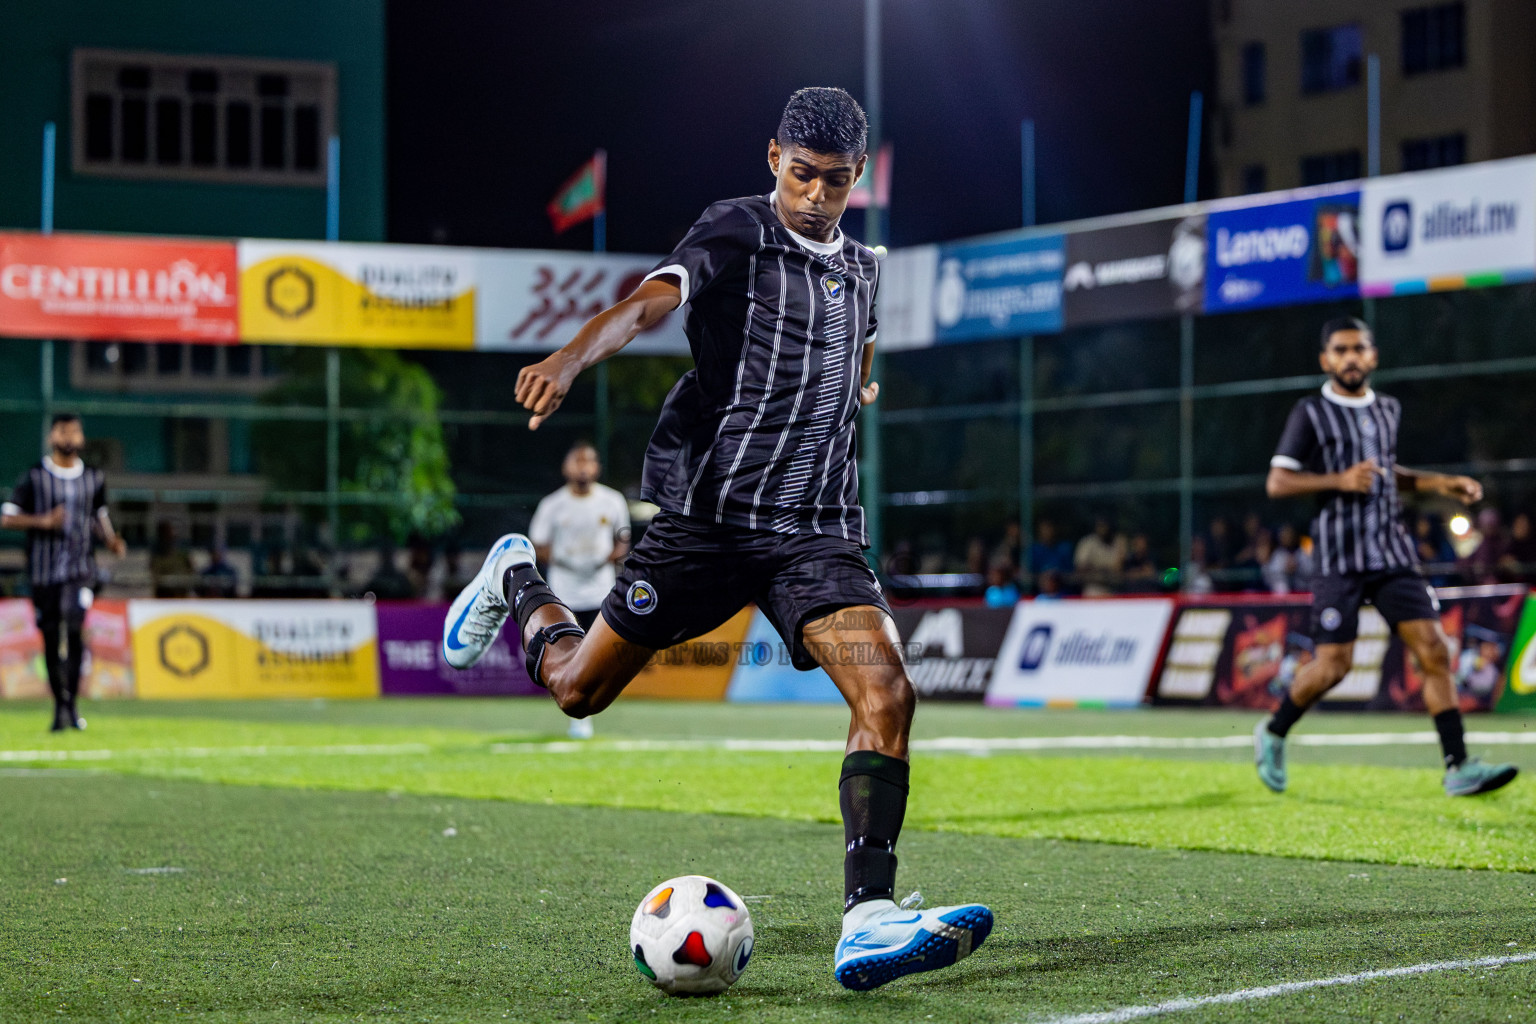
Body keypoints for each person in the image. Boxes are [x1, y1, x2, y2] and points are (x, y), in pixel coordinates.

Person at [442, 87, 990, 989]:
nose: (817, 194)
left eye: (837, 181)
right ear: (774, 156)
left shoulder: (866, 270)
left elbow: (857, 352)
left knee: (887, 691)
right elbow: (652, 302)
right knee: (579, 692)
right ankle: (516, 580)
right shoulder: (736, 229)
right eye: (803, 173)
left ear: (859, 180)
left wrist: (853, 384)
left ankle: (870, 916)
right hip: (708, 522)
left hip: (814, 532)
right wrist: (570, 358)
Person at [1255, 317, 1516, 797]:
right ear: (1325, 360)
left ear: (1373, 356)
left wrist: (1441, 483)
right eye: (1340, 350)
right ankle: (1273, 731)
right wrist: (1337, 480)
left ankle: (1458, 765)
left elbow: (1385, 473)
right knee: (1334, 666)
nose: (1350, 357)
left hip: (1393, 554)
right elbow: (1278, 481)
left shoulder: (1388, 409)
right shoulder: (1310, 413)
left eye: (1358, 349)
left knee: (1435, 650)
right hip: (1339, 558)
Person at [1, 413, 126, 731]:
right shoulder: (35, 476)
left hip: (80, 569)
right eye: (62, 431)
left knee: (74, 622)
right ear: (52, 437)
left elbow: (99, 513)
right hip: (43, 572)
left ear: (81, 438)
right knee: (51, 634)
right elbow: (8, 517)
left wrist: (111, 540)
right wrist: (42, 521)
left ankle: (72, 706)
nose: (68, 437)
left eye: (74, 432)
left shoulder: (93, 478)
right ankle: (60, 707)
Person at [527, 440, 631, 740]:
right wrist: (565, 561)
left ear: (597, 467)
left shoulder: (612, 501)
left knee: (598, 656)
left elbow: (622, 539)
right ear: (566, 467)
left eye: (589, 461)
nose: (583, 467)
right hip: (564, 594)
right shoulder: (552, 505)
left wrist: (606, 559)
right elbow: (539, 544)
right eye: (577, 461)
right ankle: (576, 713)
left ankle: (591, 709)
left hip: (600, 591)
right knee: (567, 655)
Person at [1074, 516, 1125, 597]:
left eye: (1105, 526)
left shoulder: (1118, 542)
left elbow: (1119, 568)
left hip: (1114, 588)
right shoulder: (1087, 543)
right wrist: (1104, 569)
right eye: (1100, 526)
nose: (1103, 529)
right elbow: (1080, 567)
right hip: (1093, 587)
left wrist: (1097, 568)